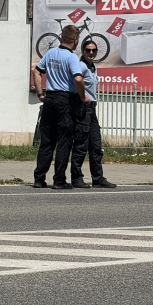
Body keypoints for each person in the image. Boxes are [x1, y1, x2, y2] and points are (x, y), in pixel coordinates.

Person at [31, 25, 89, 189]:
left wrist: (41, 94)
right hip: (65, 100)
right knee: (64, 141)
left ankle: (39, 178)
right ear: (76, 40)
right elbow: (78, 79)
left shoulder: (51, 53)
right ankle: (59, 180)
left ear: (62, 37)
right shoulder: (71, 58)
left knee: (47, 141)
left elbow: (36, 71)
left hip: (50, 99)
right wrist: (82, 96)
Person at [70, 40, 117, 188]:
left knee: (96, 145)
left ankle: (98, 178)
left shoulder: (91, 67)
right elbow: (75, 81)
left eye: (94, 50)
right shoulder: (82, 66)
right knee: (81, 144)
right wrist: (82, 97)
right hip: (83, 108)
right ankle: (76, 178)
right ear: (83, 51)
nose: (91, 53)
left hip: (92, 109)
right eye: (88, 50)